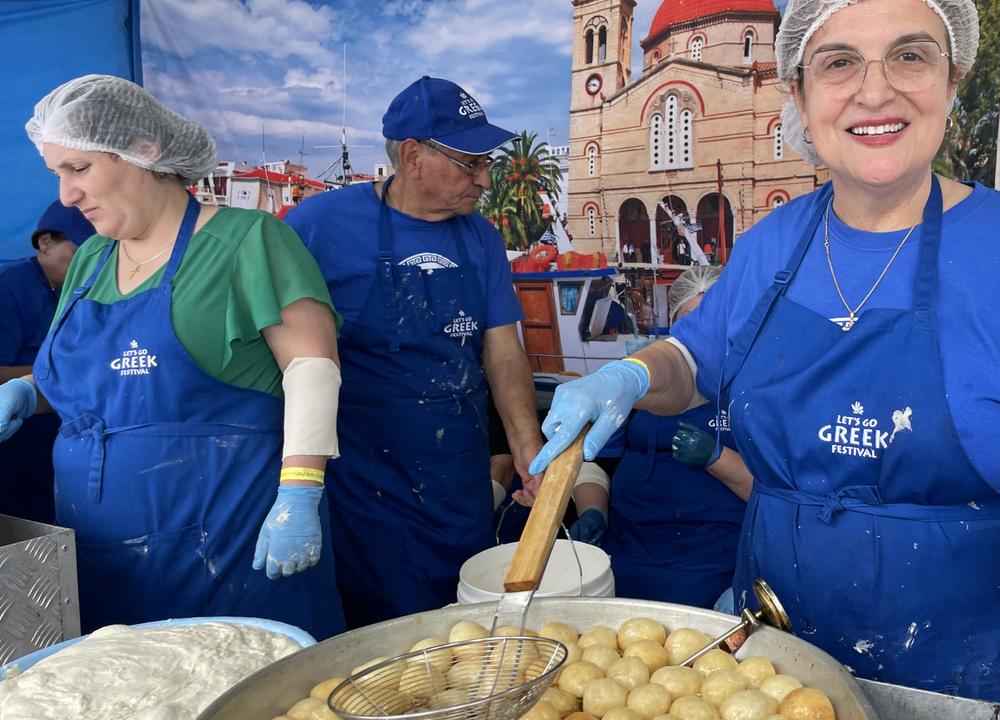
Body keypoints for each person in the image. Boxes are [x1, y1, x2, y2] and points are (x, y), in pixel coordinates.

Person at [527, 1, 1000, 717]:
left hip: (982, 677)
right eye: (840, 62)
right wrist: (631, 375)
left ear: (952, 79)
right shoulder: (768, 248)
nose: (874, 91)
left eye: (910, 56)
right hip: (783, 675)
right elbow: (691, 361)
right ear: (800, 95)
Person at [0, 74, 345, 639]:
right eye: (57, 174)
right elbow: (97, 379)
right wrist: (31, 394)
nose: (66, 196)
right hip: (102, 556)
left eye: (79, 170)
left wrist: (300, 492)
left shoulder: (247, 240)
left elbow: (312, 370)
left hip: (226, 551)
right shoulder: (88, 261)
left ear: (144, 149)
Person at [285, 75, 543, 627]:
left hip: (457, 468)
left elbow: (502, 350)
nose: (485, 178)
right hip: (363, 471)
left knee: (464, 620)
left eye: (488, 161)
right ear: (411, 155)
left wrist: (527, 446)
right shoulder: (317, 226)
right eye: (470, 163)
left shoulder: (482, 238)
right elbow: (280, 352)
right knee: (380, 629)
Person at [567, 266, 751, 608]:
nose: (704, 340)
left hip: (710, 556)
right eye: (691, 326)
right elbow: (595, 464)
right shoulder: (641, 383)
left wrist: (716, 458)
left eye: (715, 326)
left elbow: (771, 494)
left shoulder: (752, 393)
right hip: (626, 541)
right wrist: (593, 511)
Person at [0, 200, 95, 522]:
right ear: (45, 243)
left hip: (69, 440)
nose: (90, 261)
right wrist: (62, 371)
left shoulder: (83, 292)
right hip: (20, 443)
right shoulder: (10, 289)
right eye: (81, 250)